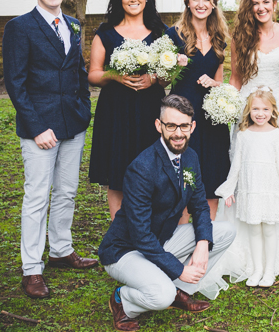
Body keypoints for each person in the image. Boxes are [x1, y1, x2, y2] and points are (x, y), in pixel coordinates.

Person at [98, 95, 236, 331]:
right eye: (170, 125)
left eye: (183, 126)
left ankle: (178, 291)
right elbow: (140, 235)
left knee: (224, 232)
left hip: (161, 240)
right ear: (158, 125)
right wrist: (180, 269)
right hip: (125, 250)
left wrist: (203, 242)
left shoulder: (190, 157)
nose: (178, 133)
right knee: (161, 296)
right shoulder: (142, 168)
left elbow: (200, 205)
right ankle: (124, 300)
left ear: (192, 126)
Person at [2, 0, 97, 299]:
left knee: (68, 192)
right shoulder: (19, 27)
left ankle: (60, 250)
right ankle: (31, 268)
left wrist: (83, 110)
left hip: (73, 124)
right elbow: (14, 82)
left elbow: (78, 71)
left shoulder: (73, 24)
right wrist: (37, 126)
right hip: (40, 128)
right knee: (37, 197)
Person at [88, 0, 167, 220]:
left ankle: (150, 233)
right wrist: (115, 75)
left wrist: (153, 78)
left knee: (153, 170)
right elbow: (93, 74)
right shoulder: (106, 32)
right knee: (118, 172)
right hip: (116, 111)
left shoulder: (159, 32)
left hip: (151, 109)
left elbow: (169, 74)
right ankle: (119, 234)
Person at [215, 87, 279, 287]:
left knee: (268, 230)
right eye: (256, 109)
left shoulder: (276, 135)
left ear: (273, 111)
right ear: (249, 110)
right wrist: (228, 189)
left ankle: (269, 270)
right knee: (254, 230)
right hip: (251, 190)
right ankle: (257, 269)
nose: (260, 114)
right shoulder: (243, 135)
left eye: (265, 109)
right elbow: (237, 166)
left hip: (270, 191)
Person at [229, 0, 279, 208]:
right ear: (248, 7)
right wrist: (227, 106)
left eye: (266, 2)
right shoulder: (240, 37)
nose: (261, 7)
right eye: (255, 3)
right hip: (247, 108)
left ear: (274, 3)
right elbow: (235, 78)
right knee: (249, 163)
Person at [166, 0, 231, 220]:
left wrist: (214, 84)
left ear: (213, 4)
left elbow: (220, 81)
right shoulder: (173, 35)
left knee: (211, 180)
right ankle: (182, 242)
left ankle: (207, 238)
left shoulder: (219, 38)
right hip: (182, 117)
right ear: (188, 2)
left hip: (212, 119)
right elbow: (162, 79)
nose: (201, 4)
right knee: (183, 181)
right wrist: (173, 64)